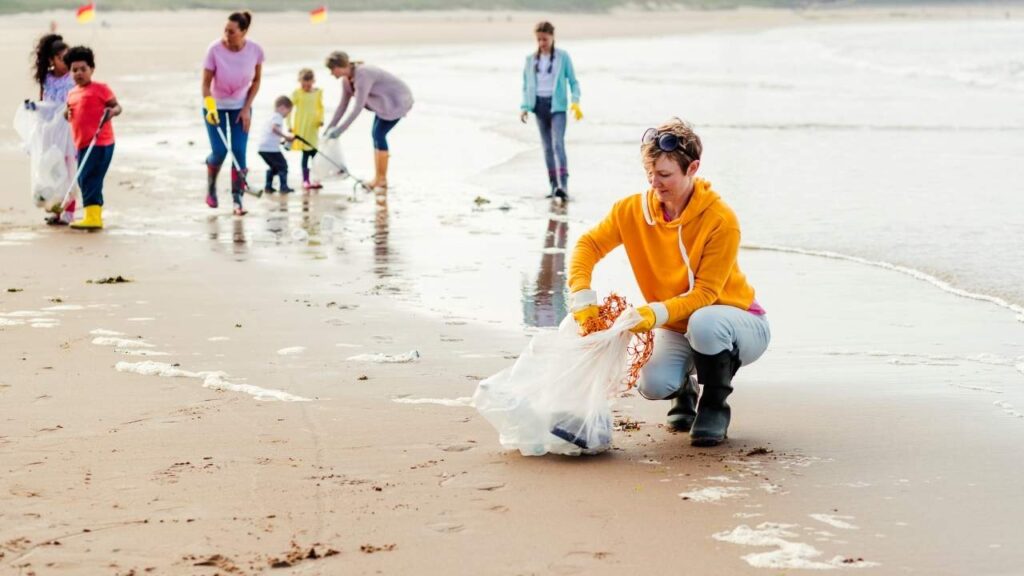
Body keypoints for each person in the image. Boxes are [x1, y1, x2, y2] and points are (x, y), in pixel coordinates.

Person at [568, 119, 770, 447]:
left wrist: (652, 313)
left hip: (738, 323)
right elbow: (587, 245)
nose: (655, 184)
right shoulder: (631, 211)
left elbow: (706, 294)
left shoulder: (721, 220)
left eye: (664, 176)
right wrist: (581, 295)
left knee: (705, 322)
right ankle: (684, 391)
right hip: (676, 325)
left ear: (693, 168)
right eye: (650, 175)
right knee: (653, 384)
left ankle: (714, 406)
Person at [201, 11, 264, 216]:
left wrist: (247, 108)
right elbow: (205, 83)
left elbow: (256, 81)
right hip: (215, 107)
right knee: (219, 152)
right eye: (225, 30)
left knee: (238, 151)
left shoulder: (255, 50)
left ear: (244, 31)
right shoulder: (214, 49)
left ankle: (238, 200)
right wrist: (210, 107)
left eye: (232, 31)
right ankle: (211, 187)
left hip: (240, 107)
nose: (226, 34)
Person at [323, 51, 413, 192]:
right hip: (383, 104)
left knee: (379, 135)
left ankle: (381, 179)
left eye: (331, 69)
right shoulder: (347, 80)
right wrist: (329, 129)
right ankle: (379, 179)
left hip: (397, 101)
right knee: (376, 135)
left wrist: (340, 130)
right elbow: (342, 106)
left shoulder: (363, 75)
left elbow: (358, 107)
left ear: (339, 66)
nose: (331, 73)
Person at [519, 21, 582, 203]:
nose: (541, 43)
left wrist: (575, 101)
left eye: (544, 39)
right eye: (538, 39)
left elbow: (573, 81)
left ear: (552, 37)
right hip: (538, 106)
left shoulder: (563, 57)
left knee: (557, 145)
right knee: (547, 148)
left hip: (558, 107)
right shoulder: (531, 60)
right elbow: (526, 86)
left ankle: (564, 186)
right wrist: (524, 107)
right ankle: (553, 186)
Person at [63, 46, 122, 230]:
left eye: (83, 69)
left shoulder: (100, 89)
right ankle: (92, 215)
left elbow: (118, 107)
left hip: (100, 142)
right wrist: (67, 114)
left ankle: (93, 218)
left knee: (90, 178)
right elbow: (70, 112)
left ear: (92, 69)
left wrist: (111, 112)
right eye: (74, 70)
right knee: (83, 179)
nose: (79, 73)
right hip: (82, 143)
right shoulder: (72, 93)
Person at [30, 34, 77, 225]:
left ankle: (69, 212)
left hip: (68, 130)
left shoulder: (72, 78)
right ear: (51, 60)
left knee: (69, 168)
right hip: (50, 131)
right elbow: (43, 103)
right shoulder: (46, 79)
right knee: (52, 169)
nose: (65, 62)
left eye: (67, 58)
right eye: (60, 58)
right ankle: (56, 209)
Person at [290, 68, 324, 190]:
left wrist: (321, 120)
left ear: (313, 81)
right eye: (303, 84)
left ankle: (316, 179)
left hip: (313, 127)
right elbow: (289, 110)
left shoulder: (318, 92)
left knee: (315, 154)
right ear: (300, 82)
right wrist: (289, 126)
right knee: (305, 154)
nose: (306, 87)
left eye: (308, 84)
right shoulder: (297, 93)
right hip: (301, 127)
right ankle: (305, 180)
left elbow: (321, 107)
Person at [257, 96, 295, 195]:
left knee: (274, 167)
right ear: (282, 108)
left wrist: (282, 141)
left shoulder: (271, 116)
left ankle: (268, 186)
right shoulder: (278, 117)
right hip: (270, 149)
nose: (287, 115)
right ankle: (283, 187)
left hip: (263, 148)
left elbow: (270, 134)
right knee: (283, 166)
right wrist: (286, 137)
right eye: (288, 112)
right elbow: (274, 129)